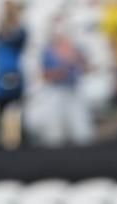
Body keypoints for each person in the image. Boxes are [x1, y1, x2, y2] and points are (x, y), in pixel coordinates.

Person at [38, 18, 95, 146]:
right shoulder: (47, 51)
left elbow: (86, 67)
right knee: (55, 130)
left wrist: (78, 63)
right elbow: (45, 75)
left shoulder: (76, 48)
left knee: (80, 127)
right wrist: (62, 69)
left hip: (74, 89)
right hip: (56, 92)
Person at [0, 0, 27, 148]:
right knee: (0, 113)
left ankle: (21, 141)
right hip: (0, 80)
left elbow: (20, 36)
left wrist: (11, 17)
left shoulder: (16, 36)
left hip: (13, 76)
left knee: (17, 112)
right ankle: (0, 143)